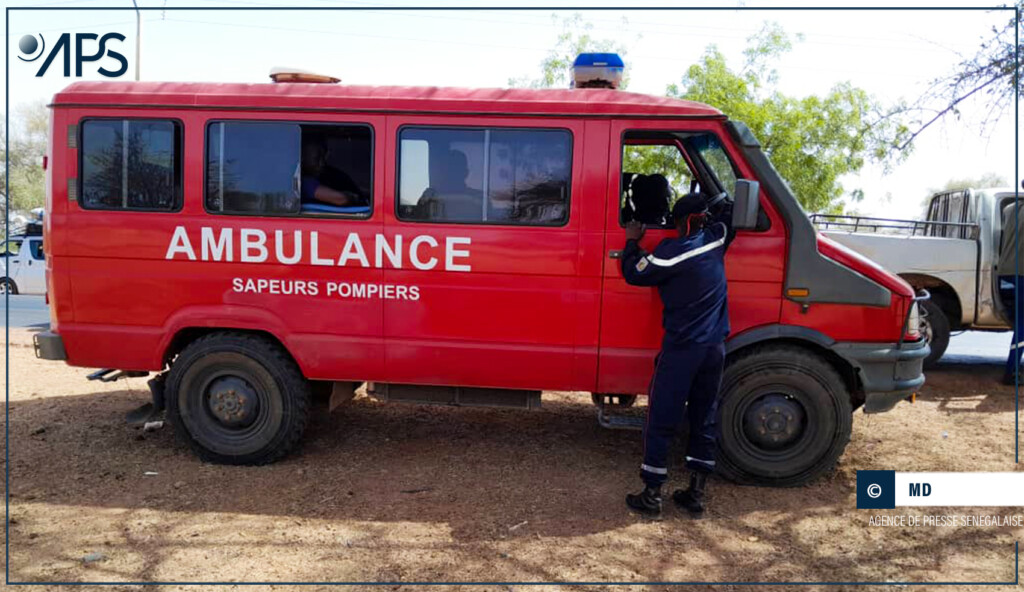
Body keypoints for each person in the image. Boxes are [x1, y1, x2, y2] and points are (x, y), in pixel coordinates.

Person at [620, 190, 736, 519]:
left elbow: (635, 272)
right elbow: (727, 214)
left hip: (682, 351)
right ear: (702, 220)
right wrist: (714, 208)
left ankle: (653, 495)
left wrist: (632, 241)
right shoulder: (717, 240)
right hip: (714, 350)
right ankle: (695, 494)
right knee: (704, 417)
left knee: (662, 417)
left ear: (680, 222)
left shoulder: (671, 253)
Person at [997, 197, 1024, 384]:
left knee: (1020, 324)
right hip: (1022, 274)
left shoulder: (1009, 209)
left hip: (1005, 273)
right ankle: (1011, 372)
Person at [301, 142, 362, 207]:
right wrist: (352, 197)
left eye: (323, 158)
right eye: (316, 159)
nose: (322, 163)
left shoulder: (331, 175)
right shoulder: (305, 183)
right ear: (303, 159)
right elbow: (342, 199)